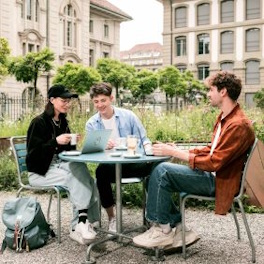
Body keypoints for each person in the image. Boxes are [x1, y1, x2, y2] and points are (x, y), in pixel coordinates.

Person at [133, 71, 255, 249]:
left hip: (220, 181)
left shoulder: (238, 124)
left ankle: (162, 231)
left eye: (211, 89)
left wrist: (175, 153)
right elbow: (212, 149)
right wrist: (178, 150)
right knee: (156, 170)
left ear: (223, 92)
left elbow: (214, 162)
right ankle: (178, 227)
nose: (208, 94)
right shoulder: (226, 118)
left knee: (162, 171)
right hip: (215, 175)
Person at [26, 84, 100, 245]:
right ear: (52, 100)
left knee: (84, 173)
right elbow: (33, 155)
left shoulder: (63, 121)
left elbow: (66, 154)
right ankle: (81, 223)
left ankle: (84, 223)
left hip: (59, 165)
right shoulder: (38, 122)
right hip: (40, 171)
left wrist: (72, 142)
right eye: (64, 100)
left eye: (69, 101)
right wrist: (55, 142)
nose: (67, 104)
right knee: (75, 179)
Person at [85, 82, 154, 234]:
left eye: (103, 100)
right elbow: (90, 151)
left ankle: (153, 216)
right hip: (110, 166)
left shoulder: (128, 116)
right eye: (96, 102)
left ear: (111, 98)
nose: (100, 105)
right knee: (100, 172)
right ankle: (112, 218)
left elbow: (144, 139)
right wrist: (101, 146)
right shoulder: (92, 123)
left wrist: (148, 151)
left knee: (154, 169)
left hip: (132, 164)